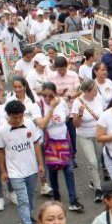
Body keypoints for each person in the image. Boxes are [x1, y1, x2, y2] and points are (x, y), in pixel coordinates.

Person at [0, 100, 44, 224]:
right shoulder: (2, 131)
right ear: (8, 116)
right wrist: (3, 171)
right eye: (14, 117)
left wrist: (40, 164)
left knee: (30, 196)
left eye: (20, 116)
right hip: (15, 171)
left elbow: (36, 144)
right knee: (22, 199)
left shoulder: (29, 124)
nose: (17, 120)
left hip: (31, 168)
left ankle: (29, 216)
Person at [37, 82, 84, 212]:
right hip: (50, 144)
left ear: (55, 93)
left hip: (63, 141)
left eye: (50, 95)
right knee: (52, 172)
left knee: (68, 171)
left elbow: (66, 120)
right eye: (44, 95)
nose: (47, 98)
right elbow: (42, 125)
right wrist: (51, 108)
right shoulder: (39, 106)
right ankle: (56, 199)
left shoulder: (62, 103)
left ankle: (73, 200)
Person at [72, 79, 105, 202]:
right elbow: (76, 124)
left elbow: (104, 115)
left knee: (99, 161)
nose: (96, 91)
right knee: (92, 162)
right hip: (84, 135)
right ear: (86, 92)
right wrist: (80, 113)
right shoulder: (77, 102)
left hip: (98, 134)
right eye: (94, 90)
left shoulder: (99, 98)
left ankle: (93, 180)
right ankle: (98, 189)